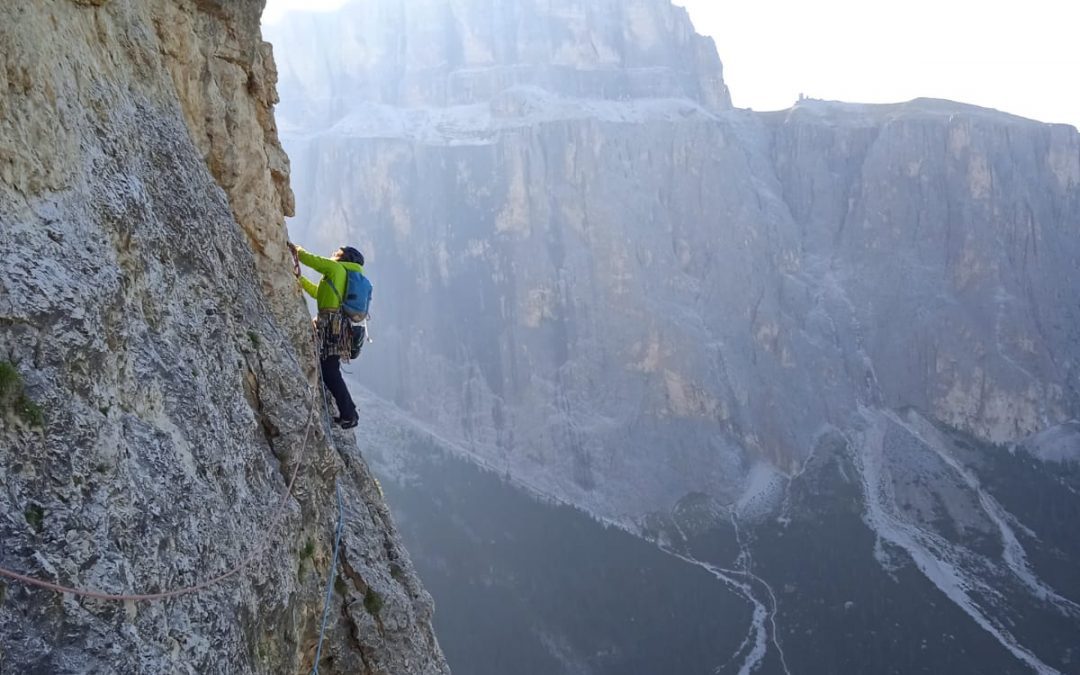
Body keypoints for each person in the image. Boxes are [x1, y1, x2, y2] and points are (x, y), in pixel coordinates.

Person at [289, 242, 366, 429]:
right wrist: (299, 280)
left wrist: (294, 249)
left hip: (330, 325)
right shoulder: (344, 276)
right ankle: (350, 411)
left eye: (336, 253)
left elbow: (311, 260)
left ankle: (349, 413)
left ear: (342, 257)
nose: (333, 254)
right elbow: (319, 293)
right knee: (330, 369)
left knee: (330, 370)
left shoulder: (336, 268)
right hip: (339, 326)